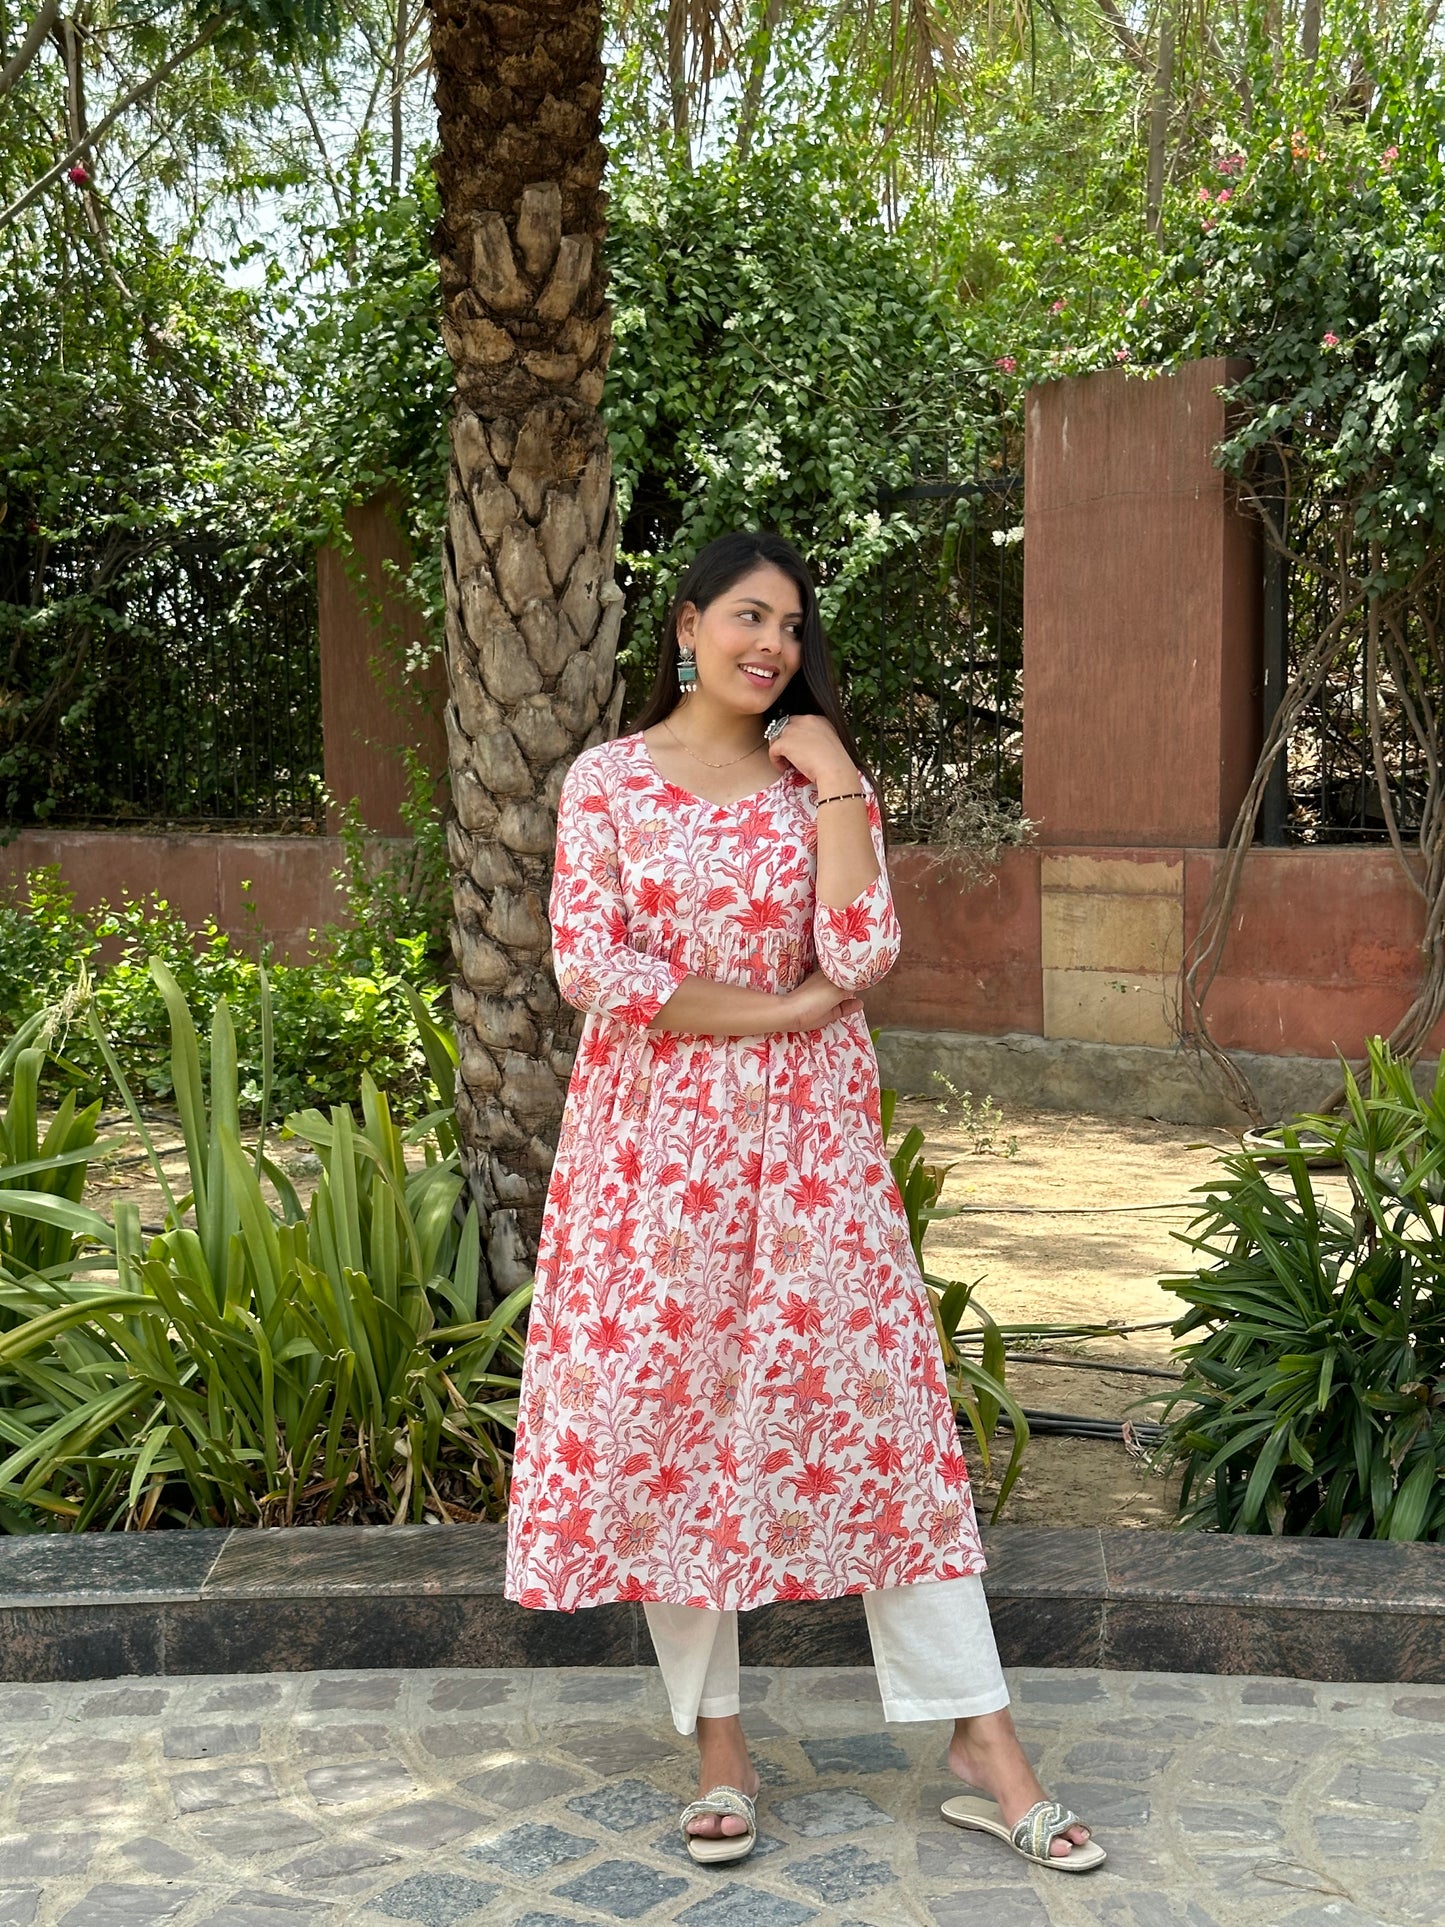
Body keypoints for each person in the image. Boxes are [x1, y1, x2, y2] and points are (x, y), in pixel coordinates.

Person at [504, 530, 1104, 1876]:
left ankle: (982, 1740)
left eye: (788, 626)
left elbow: (864, 951)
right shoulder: (605, 782)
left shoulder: (813, 781)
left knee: (879, 1418)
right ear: (685, 624)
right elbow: (590, 963)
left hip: (812, 1159)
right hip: (652, 1160)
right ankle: (717, 1742)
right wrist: (771, 1009)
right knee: (670, 1428)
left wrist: (835, 782)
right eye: (745, 617)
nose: (768, 643)